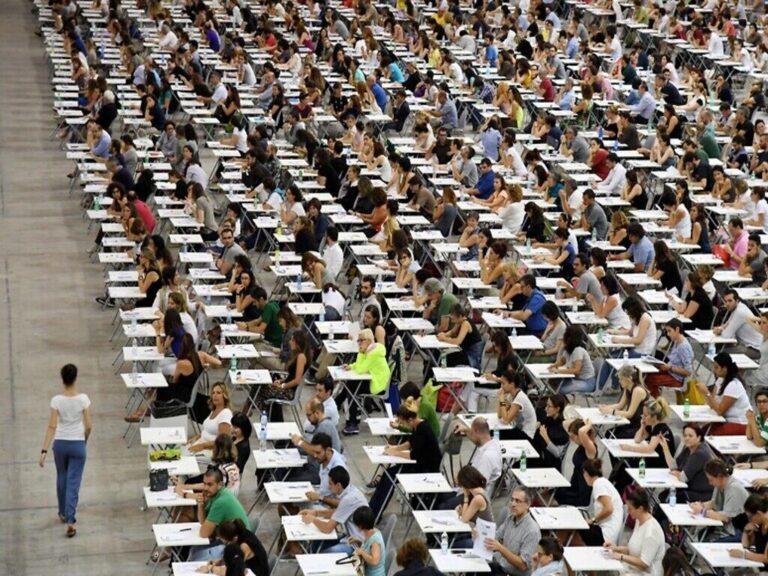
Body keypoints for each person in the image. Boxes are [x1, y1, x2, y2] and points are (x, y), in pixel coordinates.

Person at [39, 364, 92, 538]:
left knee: (62, 477)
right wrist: (84, 440)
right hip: (77, 444)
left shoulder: (56, 401)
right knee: (73, 482)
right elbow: (89, 425)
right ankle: (70, 521)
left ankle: (62, 512)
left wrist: (44, 450)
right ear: (75, 378)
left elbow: (52, 426)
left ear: (62, 379)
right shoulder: (83, 399)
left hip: (60, 444)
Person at [368, 404, 441, 520]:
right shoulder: (418, 425)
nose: (404, 426)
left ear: (410, 419)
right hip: (419, 463)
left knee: (390, 477)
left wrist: (394, 453)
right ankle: (372, 509)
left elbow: (412, 455)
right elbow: (410, 443)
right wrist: (395, 448)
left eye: (404, 423)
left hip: (425, 468)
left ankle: (375, 513)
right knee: (387, 474)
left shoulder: (423, 428)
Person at [337, 328, 390, 436]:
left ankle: (352, 423)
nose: (359, 343)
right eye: (358, 340)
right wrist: (351, 366)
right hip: (375, 380)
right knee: (350, 385)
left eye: (361, 340)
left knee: (351, 388)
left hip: (378, 385)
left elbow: (361, 369)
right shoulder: (371, 350)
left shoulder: (373, 354)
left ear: (369, 340)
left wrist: (360, 352)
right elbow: (359, 365)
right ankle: (340, 407)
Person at [190, 468, 250, 561]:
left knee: (197, 557)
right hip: (226, 539)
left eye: (210, 484)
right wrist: (200, 506)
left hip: (238, 547)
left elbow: (204, 533)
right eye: (204, 484)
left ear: (220, 484)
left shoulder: (220, 502)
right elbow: (203, 522)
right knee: (194, 550)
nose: (205, 488)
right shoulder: (216, 494)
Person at [604, 489, 665, 576]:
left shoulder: (651, 532)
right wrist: (616, 548)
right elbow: (633, 549)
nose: (628, 512)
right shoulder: (639, 520)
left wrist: (621, 556)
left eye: (630, 509)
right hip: (635, 568)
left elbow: (644, 564)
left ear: (640, 509)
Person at [483, 488, 541, 576]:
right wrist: (482, 534)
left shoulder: (532, 531)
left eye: (518, 501)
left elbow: (523, 566)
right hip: (500, 566)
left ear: (528, 504)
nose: (513, 504)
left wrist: (500, 548)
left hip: (513, 574)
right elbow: (496, 536)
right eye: (512, 500)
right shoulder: (510, 518)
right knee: (473, 570)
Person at [256, 331, 310, 422]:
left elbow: (297, 380)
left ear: (297, 343)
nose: (290, 342)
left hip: (289, 391)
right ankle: (269, 417)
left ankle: (268, 418)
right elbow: (291, 376)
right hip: (286, 387)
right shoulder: (296, 355)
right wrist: (281, 381)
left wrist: (282, 386)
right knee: (260, 386)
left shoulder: (301, 357)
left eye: (292, 340)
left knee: (262, 389)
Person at [689, 459, 748, 542]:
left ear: (720, 476)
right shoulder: (720, 484)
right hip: (726, 527)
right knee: (703, 533)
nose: (710, 483)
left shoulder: (734, 488)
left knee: (708, 540)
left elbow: (725, 517)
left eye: (711, 479)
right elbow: (714, 503)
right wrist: (700, 505)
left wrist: (702, 511)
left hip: (738, 530)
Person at [695, 352, 751, 436]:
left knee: (707, 435)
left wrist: (707, 392)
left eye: (716, 367)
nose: (714, 370)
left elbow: (720, 411)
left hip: (740, 423)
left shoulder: (734, 385)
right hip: (725, 420)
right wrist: (705, 393)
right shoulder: (720, 380)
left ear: (724, 368)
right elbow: (712, 404)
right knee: (700, 431)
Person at [659, 424, 714, 504]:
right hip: (689, 488)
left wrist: (678, 473)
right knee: (663, 495)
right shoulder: (688, 449)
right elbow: (674, 466)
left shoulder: (700, 454)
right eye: (685, 436)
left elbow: (683, 478)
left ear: (698, 438)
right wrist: (665, 447)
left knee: (668, 499)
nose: (687, 438)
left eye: (690, 436)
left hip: (701, 493)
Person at [579, 458, 624, 546]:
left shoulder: (599, 484)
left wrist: (592, 520)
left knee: (574, 528)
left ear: (586, 473)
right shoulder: (602, 482)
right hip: (606, 531)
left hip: (605, 535)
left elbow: (609, 508)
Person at [644, 319, 693, 398]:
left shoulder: (683, 347)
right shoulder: (676, 341)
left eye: (669, 331)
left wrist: (670, 368)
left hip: (677, 378)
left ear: (677, 329)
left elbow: (688, 372)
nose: (668, 334)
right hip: (670, 371)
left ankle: (657, 401)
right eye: (667, 331)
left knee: (650, 379)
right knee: (647, 373)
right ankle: (656, 398)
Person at [555, 419, 597, 506]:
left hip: (581, 493)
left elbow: (581, 431)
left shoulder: (590, 448)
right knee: (555, 491)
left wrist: (589, 425)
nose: (571, 439)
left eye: (573, 436)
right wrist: (582, 421)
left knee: (556, 498)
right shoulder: (581, 445)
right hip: (574, 486)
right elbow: (564, 423)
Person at [598, 365, 649, 438]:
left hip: (639, 426)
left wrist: (611, 411)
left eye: (621, 379)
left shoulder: (638, 390)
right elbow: (620, 405)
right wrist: (606, 407)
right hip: (631, 423)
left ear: (629, 379)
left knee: (615, 436)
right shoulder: (627, 388)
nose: (619, 381)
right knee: (609, 433)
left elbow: (630, 414)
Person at [452, 465, 494, 549]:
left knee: (453, 545)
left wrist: (466, 497)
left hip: (484, 540)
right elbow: (465, 515)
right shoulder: (479, 491)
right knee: (453, 539)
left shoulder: (478, 498)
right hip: (479, 533)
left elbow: (464, 519)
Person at [714, 289, 763, 359]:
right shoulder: (738, 307)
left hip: (755, 350)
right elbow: (727, 324)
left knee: (721, 354)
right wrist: (720, 328)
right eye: (725, 301)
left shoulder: (740, 312)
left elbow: (726, 335)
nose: (727, 304)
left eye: (730, 301)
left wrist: (719, 331)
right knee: (719, 346)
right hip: (747, 346)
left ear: (737, 301)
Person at [548, 326, 595, 393]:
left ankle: (560, 399)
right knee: (552, 381)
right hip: (577, 378)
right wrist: (555, 365)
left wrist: (558, 371)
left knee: (561, 389)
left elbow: (576, 370)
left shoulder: (578, 350)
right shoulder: (569, 348)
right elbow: (562, 361)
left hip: (586, 382)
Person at [436, 304, 484, 370]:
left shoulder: (465, 323)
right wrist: (444, 335)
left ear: (460, 316)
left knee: (446, 357)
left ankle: (443, 372)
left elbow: (457, 341)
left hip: (471, 357)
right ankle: (438, 371)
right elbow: (452, 332)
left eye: (453, 315)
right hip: (464, 351)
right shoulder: (460, 320)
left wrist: (444, 338)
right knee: (440, 353)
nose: (450, 316)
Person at [728, 494, 768, 563]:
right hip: (758, 564)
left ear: (759, 513)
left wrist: (743, 554)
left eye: (750, 517)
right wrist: (745, 531)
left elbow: (766, 558)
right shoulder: (759, 525)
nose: (749, 520)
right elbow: (746, 545)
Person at [351, 507, 386, 576]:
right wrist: (358, 541)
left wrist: (362, 552)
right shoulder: (372, 531)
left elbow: (374, 561)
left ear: (361, 525)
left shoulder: (375, 540)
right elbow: (368, 548)